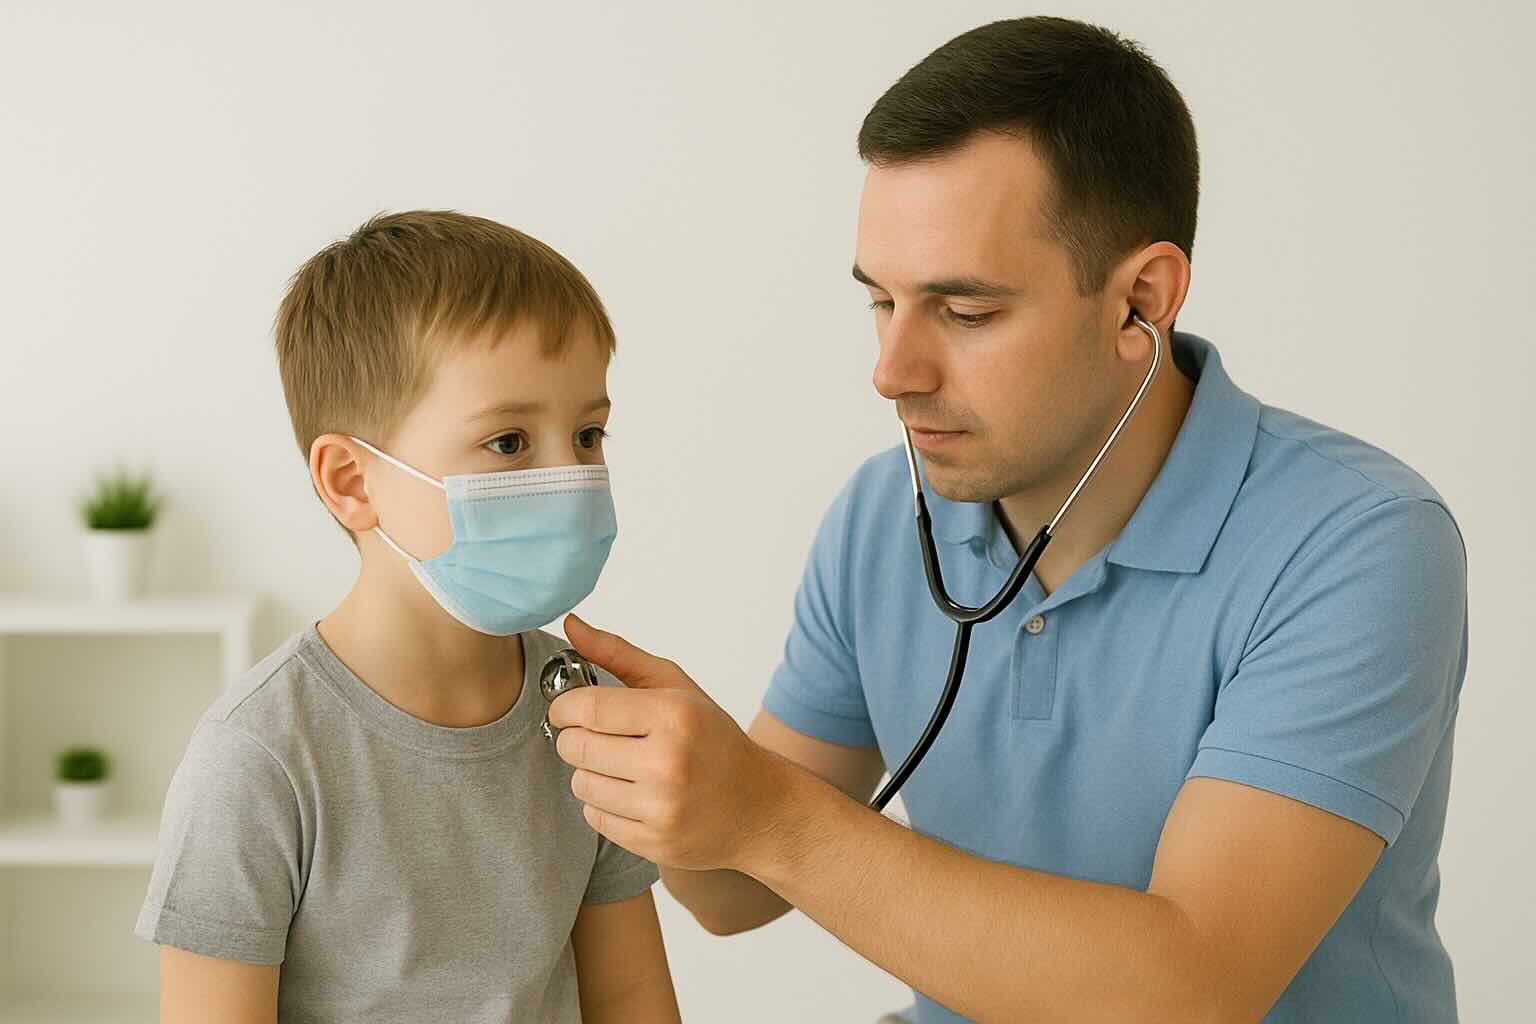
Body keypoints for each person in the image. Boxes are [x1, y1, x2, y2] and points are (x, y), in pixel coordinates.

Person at [547, 17, 1467, 1023]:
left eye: (965, 312)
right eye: (881, 303)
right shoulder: (881, 519)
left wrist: (767, 814)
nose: (892, 372)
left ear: (1140, 303)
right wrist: (668, 772)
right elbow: (733, 892)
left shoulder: (1359, 540)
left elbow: (1191, 989)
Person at [136, 210, 681, 1024]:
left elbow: (633, 997)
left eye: (587, 433)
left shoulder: (586, 714)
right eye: (507, 442)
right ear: (353, 481)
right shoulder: (258, 761)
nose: (568, 477)